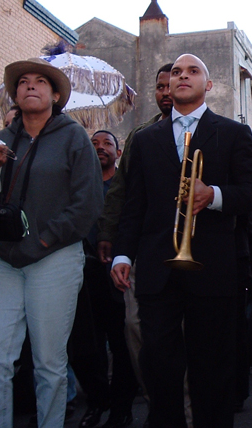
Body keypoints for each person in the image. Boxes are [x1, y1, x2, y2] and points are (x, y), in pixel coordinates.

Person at [110, 54, 252, 428]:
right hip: (157, 266)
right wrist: (122, 254)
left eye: (193, 71)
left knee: (212, 365)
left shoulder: (233, 132)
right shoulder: (145, 139)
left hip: (213, 267)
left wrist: (214, 195)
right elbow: (134, 204)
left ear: (208, 86)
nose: (182, 76)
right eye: (176, 71)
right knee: (159, 363)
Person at [0, 57, 103, 428]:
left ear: (55, 95)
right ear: (15, 94)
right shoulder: (1, 140)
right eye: (23, 82)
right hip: (4, 263)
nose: (30, 86)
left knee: (49, 361)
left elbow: (87, 204)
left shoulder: (73, 137)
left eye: (40, 81)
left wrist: (43, 239)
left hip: (53, 258)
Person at [96, 63, 173, 399]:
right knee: (135, 327)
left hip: (193, 251)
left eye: (171, 85)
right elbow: (121, 192)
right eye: (160, 87)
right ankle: (158, 400)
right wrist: (108, 234)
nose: (166, 92)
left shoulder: (212, 130)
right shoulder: (141, 135)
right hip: (144, 249)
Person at [69, 130, 138, 428]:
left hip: (118, 272)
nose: (99, 148)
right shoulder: (77, 186)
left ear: (118, 153)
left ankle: (122, 408)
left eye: (107, 143)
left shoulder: (125, 187)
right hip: (82, 274)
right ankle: (97, 402)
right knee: (86, 346)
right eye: (93, 144)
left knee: (122, 343)